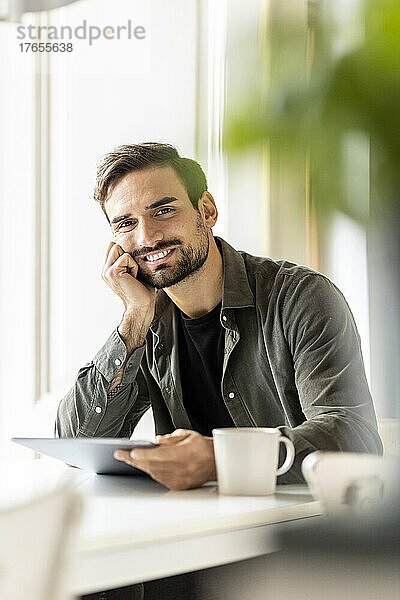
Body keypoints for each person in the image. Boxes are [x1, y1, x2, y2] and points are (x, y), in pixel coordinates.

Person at [56, 142, 382, 598]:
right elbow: (76, 441)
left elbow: (354, 435)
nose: (147, 238)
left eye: (163, 210)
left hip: (290, 549)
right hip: (187, 543)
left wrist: (218, 458)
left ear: (206, 210)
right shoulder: (147, 321)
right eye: (126, 224)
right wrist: (132, 322)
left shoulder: (301, 297)